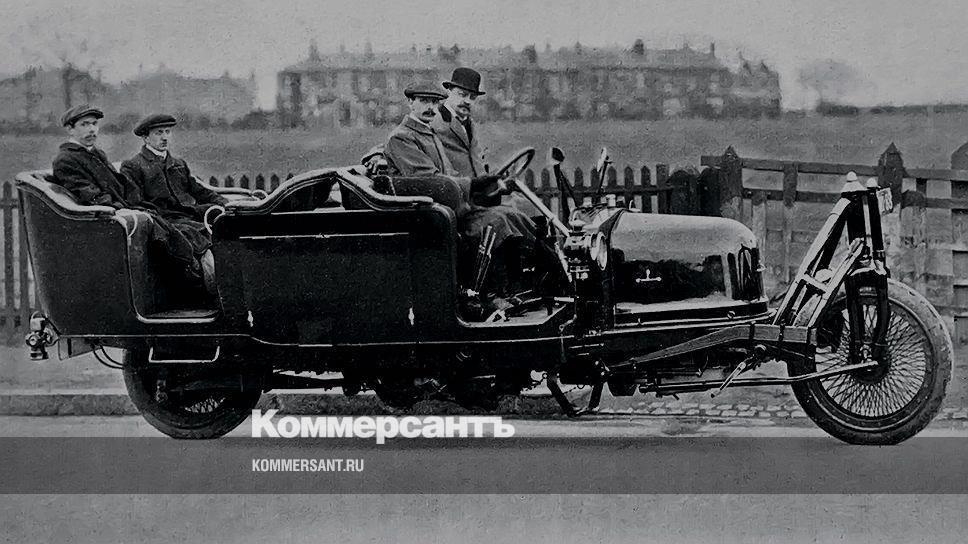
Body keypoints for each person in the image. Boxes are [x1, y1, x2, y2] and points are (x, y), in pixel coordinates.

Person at [383, 82, 540, 313]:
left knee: (510, 216)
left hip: (448, 207)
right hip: (428, 215)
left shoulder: (428, 133)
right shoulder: (402, 138)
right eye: (424, 101)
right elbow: (430, 181)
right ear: (410, 103)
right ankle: (486, 296)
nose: (430, 107)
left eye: (434, 102)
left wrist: (484, 185)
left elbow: (449, 175)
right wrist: (473, 184)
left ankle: (509, 289)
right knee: (494, 223)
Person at [51, 105, 208, 300]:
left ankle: (196, 272)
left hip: (125, 211)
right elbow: (89, 194)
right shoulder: (66, 160)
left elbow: (119, 186)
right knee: (165, 230)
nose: (92, 129)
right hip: (106, 220)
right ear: (70, 129)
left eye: (94, 124)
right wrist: (122, 208)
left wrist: (137, 205)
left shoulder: (95, 154)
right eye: (84, 124)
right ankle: (194, 276)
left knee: (173, 227)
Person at [120, 114, 226, 295]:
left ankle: (223, 276)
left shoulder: (178, 164)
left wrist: (226, 204)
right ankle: (211, 282)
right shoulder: (133, 166)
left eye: (168, 132)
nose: (165, 137)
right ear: (145, 137)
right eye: (158, 133)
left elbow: (200, 191)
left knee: (224, 222)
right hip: (164, 220)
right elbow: (134, 202)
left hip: (190, 216)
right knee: (193, 233)